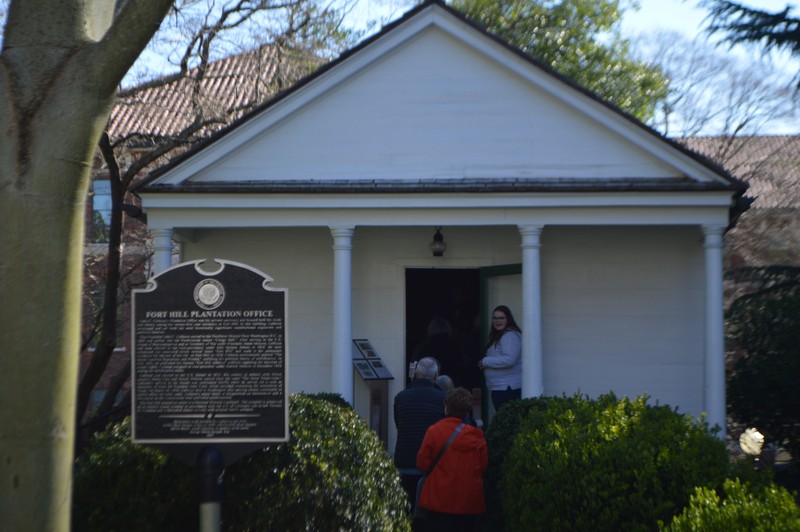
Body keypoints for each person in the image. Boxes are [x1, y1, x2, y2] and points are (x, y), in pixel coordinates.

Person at [416, 387, 488, 531]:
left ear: (447, 407)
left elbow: (422, 463)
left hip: (437, 498)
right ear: (467, 411)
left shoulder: (434, 431)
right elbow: (483, 467)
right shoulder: (477, 436)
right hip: (468, 500)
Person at [393, 357, 446, 512]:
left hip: (404, 460)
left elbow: (399, 424)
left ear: (415, 374)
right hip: (433, 463)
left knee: (406, 510)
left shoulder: (401, 397)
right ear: (436, 376)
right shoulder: (442, 398)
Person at [478, 305, 522, 413]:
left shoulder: (509, 336)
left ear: (508, 319)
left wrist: (485, 361)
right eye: (495, 318)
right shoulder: (500, 335)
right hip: (502, 387)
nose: (498, 321)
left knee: (508, 421)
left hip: (507, 388)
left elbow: (509, 360)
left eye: (501, 318)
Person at [413, 317, 466, 386]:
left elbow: (413, 366)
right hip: (451, 388)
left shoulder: (422, 347)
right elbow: (463, 368)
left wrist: (412, 381)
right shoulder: (456, 347)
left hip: (427, 387)